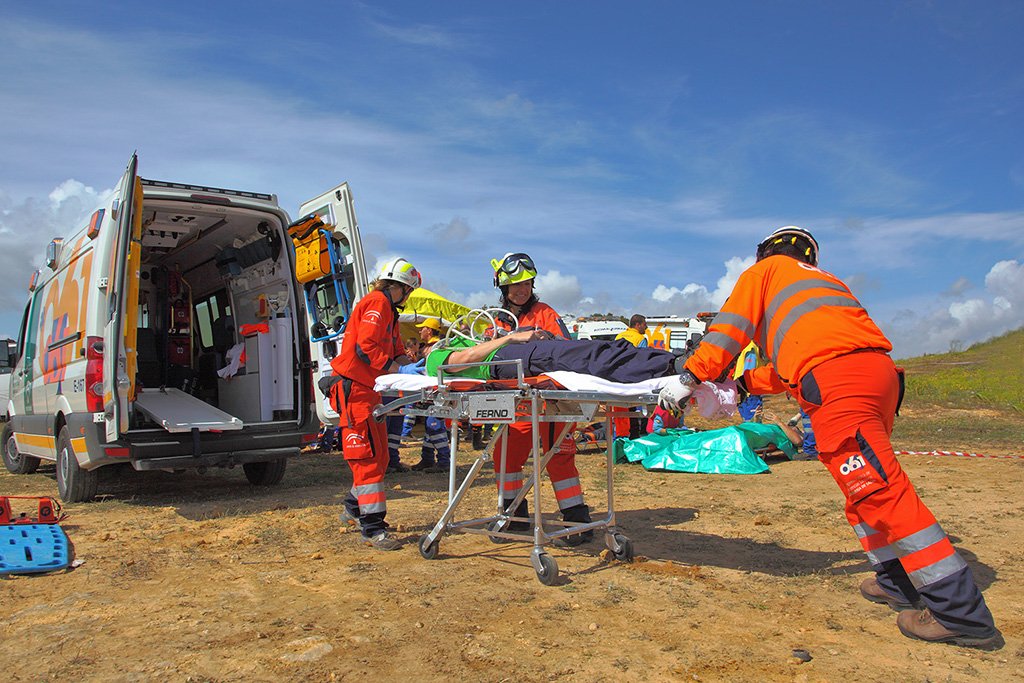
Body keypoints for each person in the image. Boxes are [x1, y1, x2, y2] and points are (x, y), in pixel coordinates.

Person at [657, 226, 1000, 649]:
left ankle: (958, 612)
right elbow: (799, 357)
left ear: (765, 252)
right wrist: (743, 386)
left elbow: (729, 328)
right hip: (877, 377)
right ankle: (895, 584)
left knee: (876, 489)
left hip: (840, 383)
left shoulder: (767, 273)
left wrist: (692, 376)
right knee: (860, 487)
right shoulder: (823, 284)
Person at [482, 252, 587, 544]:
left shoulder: (546, 313)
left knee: (559, 459)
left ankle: (577, 521)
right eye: (515, 285)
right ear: (503, 289)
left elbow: (566, 351)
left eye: (527, 283)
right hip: (517, 404)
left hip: (551, 400)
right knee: (504, 456)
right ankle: (512, 517)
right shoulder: (497, 321)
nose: (522, 290)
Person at [324, 257, 424, 551]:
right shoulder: (378, 304)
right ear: (404, 288)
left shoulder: (387, 311)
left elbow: (394, 350)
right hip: (355, 391)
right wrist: (398, 370)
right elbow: (365, 348)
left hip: (367, 391)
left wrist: (414, 368)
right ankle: (372, 529)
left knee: (379, 459)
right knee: (367, 462)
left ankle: (353, 509)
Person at [410, 317, 452, 472]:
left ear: (429, 330)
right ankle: (427, 458)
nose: (420, 331)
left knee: (434, 425)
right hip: (430, 391)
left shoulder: (436, 348)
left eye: (423, 328)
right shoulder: (430, 347)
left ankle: (444, 461)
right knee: (430, 425)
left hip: (436, 392)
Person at [615, 314, 649, 438]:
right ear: (638, 324)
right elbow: (643, 360)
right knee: (636, 407)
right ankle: (636, 434)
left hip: (617, 377)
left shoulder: (619, 336)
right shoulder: (640, 339)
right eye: (645, 324)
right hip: (633, 377)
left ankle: (621, 435)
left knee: (621, 408)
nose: (646, 327)